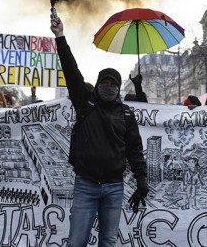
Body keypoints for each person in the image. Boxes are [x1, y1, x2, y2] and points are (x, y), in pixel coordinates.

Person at [50, 16, 148, 247]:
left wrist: (142, 179)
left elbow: (134, 149)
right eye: (105, 83)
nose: (109, 87)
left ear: (118, 87)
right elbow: (71, 72)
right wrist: (60, 37)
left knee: (108, 241)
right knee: (77, 241)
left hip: (115, 187)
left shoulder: (126, 114)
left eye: (114, 84)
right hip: (86, 184)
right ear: (98, 84)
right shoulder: (86, 103)